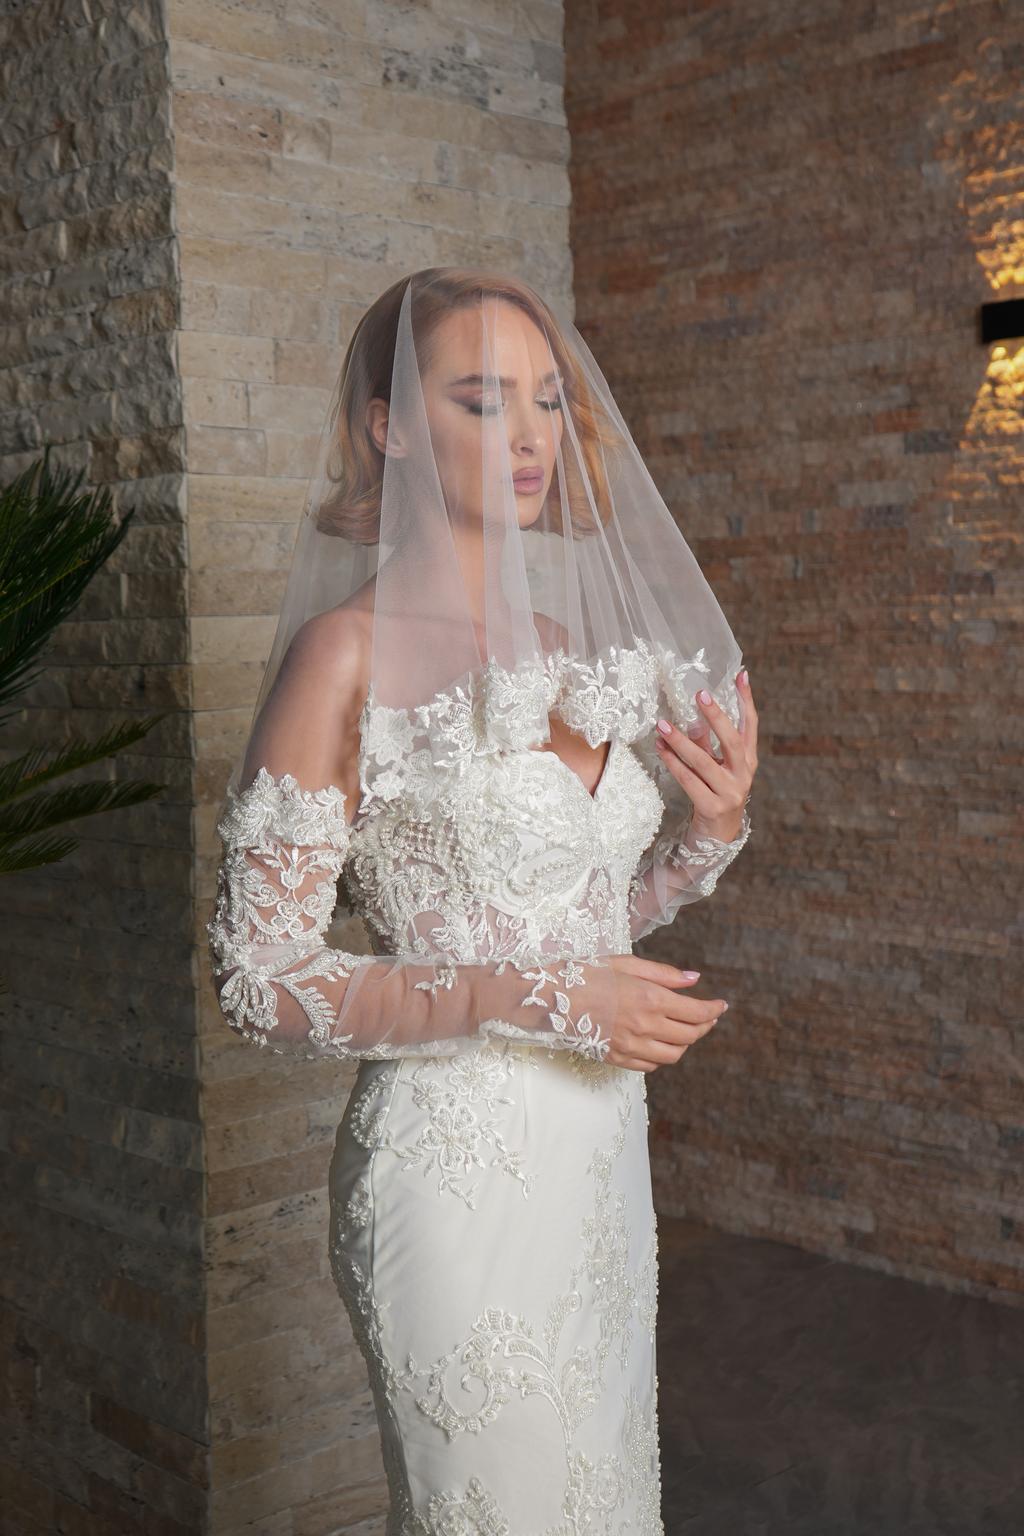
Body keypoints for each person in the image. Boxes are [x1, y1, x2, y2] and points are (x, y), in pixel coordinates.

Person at [206, 267, 757, 1533]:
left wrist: (709, 833)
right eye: (479, 398)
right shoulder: (341, 655)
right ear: (389, 426)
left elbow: (577, 921)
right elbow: (260, 977)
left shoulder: (562, 645)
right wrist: (546, 998)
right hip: (454, 1177)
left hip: (596, 1163)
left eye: (548, 400)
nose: (527, 435)